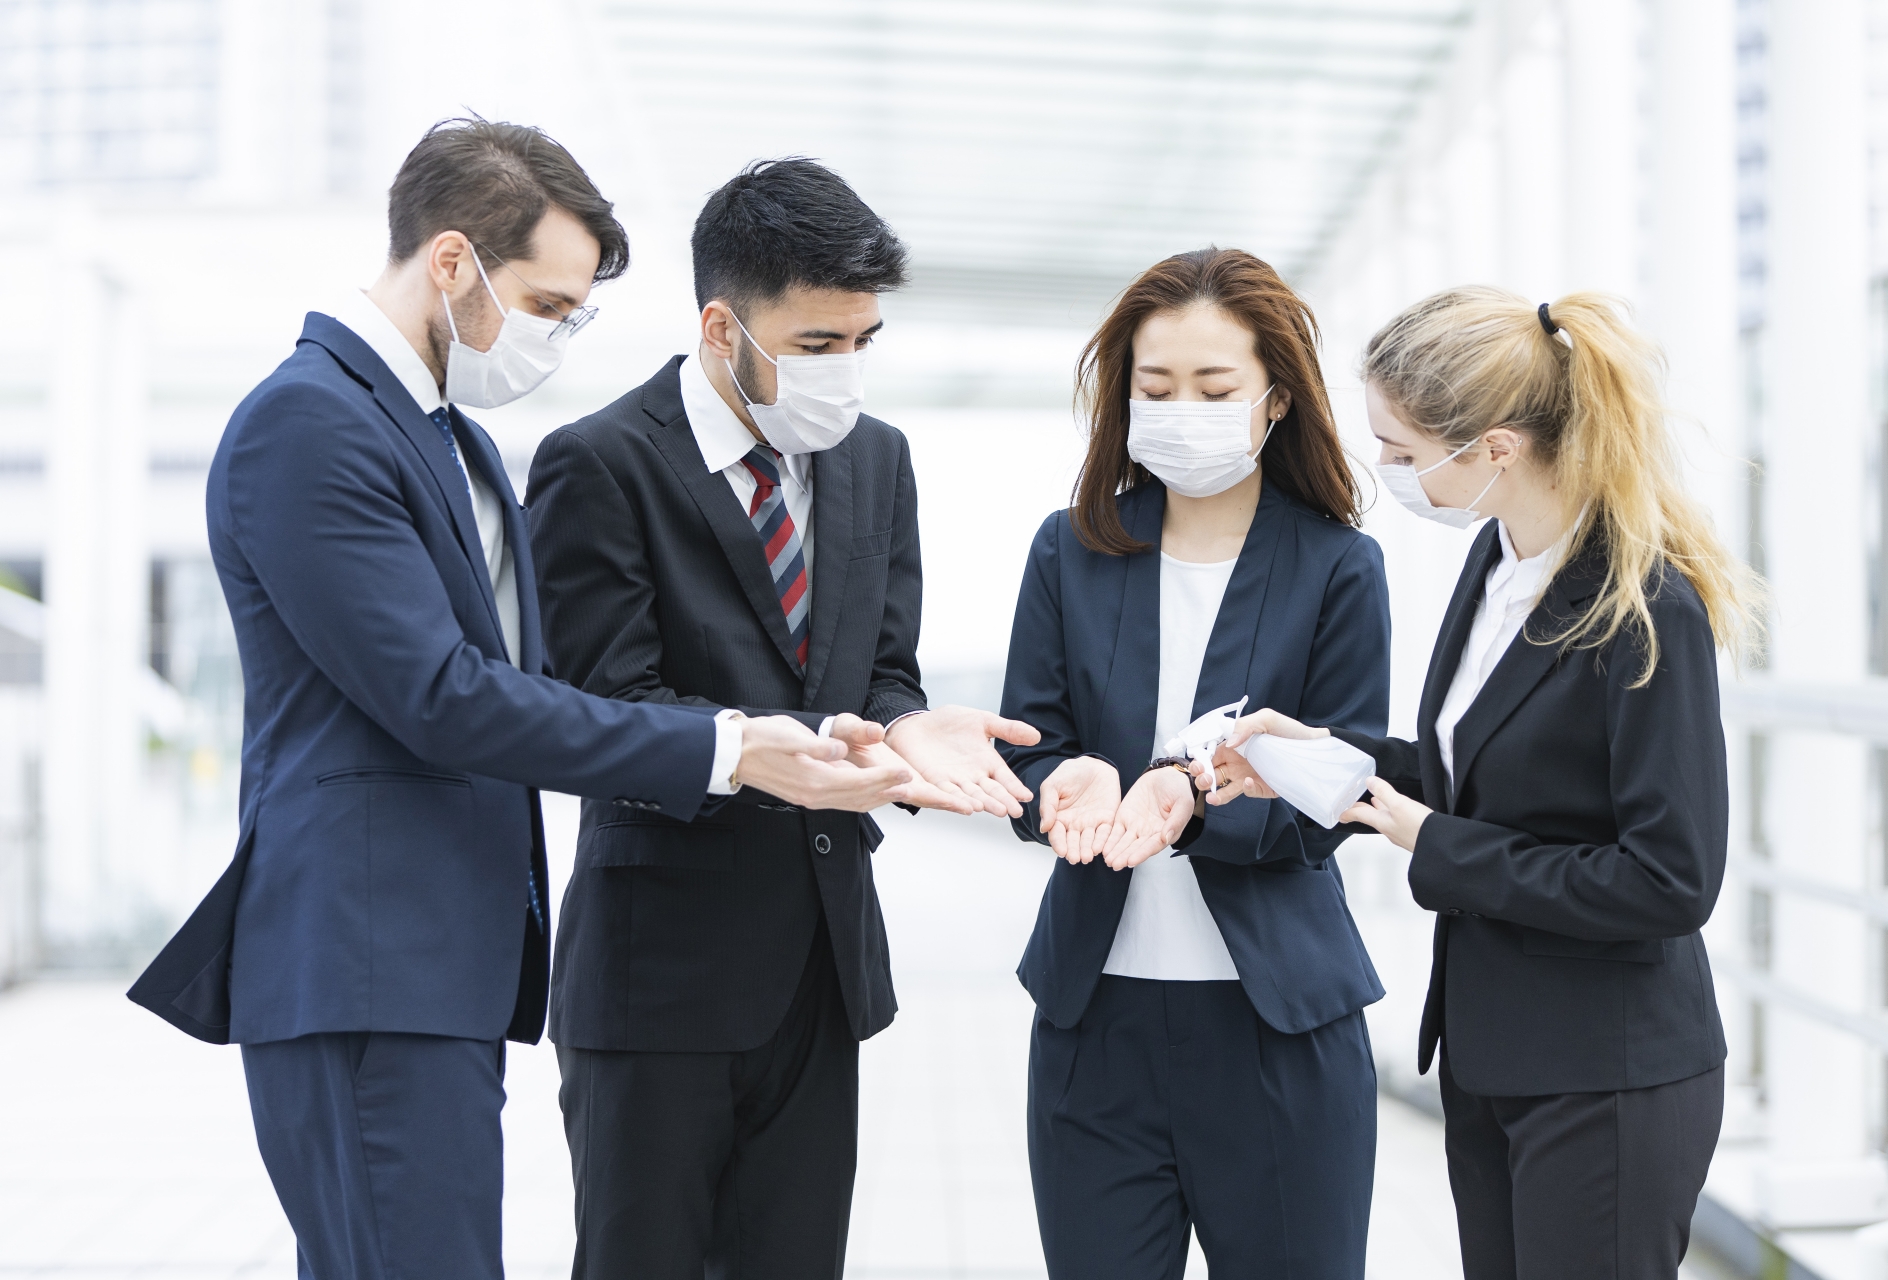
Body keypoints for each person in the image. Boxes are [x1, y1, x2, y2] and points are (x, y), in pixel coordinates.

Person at [127, 120, 913, 1280]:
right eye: (549, 304)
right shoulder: (310, 421)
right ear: (452, 263)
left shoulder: (455, 441)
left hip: (444, 957)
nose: (558, 337)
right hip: (367, 949)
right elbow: (444, 697)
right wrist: (732, 745)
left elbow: (526, 692)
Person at [523, 157, 1040, 1280]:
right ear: (722, 326)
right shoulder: (599, 466)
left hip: (818, 960)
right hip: (657, 976)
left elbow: (880, 670)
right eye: (816, 346)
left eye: (862, 342)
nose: (844, 372)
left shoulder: (875, 461)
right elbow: (601, 712)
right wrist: (769, 759)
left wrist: (907, 729)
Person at [1213, 287, 1763, 1280]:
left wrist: (1436, 842)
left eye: (1403, 449)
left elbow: (1668, 878)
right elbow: (1481, 775)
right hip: (1494, 1051)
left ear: (1496, 449)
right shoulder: (1496, 561)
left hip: (1607, 1073)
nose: (1386, 472)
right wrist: (1331, 756)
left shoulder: (1644, 607)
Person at [995, 248, 1391, 1279]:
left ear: (1273, 401)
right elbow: (1030, 744)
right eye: (1154, 387)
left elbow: (1339, 786)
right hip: (1096, 1021)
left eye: (1214, 388)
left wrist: (1191, 799)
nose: (1182, 409)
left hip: (1276, 1027)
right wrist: (1055, 789)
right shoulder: (1070, 550)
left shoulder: (1338, 565)